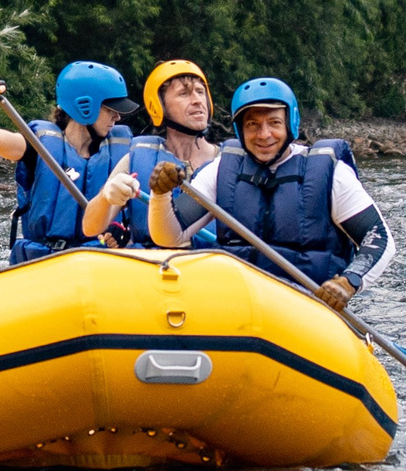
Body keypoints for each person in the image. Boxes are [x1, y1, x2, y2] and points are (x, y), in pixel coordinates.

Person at [147, 77, 393, 311]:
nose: (264, 135)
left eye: (274, 123)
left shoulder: (331, 173)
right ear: (240, 130)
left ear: (290, 124)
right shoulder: (221, 170)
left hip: (308, 306)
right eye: (252, 125)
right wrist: (160, 195)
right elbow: (169, 237)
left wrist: (349, 282)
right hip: (238, 303)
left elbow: (379, 237)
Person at [0, 61, 135, 263]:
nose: (118, 117)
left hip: (100, 259)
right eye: (111, 109)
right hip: (44, 261)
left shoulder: (124, 151)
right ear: (86, 106)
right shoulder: (39, 145)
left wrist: (124, 233)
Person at [83, 59, 222, 247]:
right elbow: (90, 227)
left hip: (214, 268)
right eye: (184, 94)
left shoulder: (227, 163)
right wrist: (106, 197)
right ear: (158, 106)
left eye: (200, 91)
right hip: (152, 268)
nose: (198, 100)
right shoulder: (136, 160)